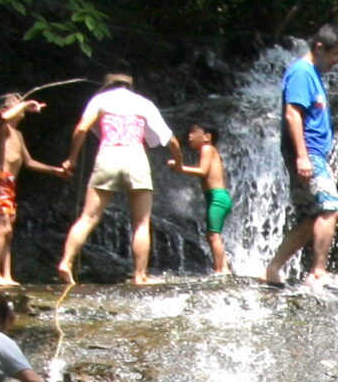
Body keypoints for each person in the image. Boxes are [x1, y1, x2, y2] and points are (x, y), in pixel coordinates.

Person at [56, 73, 174, 286]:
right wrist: (178, 160)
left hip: (108, 155)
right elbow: (170, 138)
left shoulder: (100, 100)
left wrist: (71, 159)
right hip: (136, 157)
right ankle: (140, 276)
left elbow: (82, 128)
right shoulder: (143, 103)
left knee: (88, 217)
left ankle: (66, 262)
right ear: (131, 85)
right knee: (141, 223)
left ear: (106, 84)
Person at [263, 27, 338, 288]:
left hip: (314, 154)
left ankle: (273, 268)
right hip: (306, 152)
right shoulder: (302, 72)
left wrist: (321, 159)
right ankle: (318, 272)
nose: (337, 61)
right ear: (319, 47)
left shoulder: (312, 74)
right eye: (335, 54)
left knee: (311, 216)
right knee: (330, 209)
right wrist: (303, 156)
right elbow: (293, 114)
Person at [0, 94, 68, 287]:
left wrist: (56, 171)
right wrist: (25, 104)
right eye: (16, 102)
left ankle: (7, 274)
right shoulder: (2, 129)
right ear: (3, 109)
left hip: (10, 183)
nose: (20, 103)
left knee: (9, 230)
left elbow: (29, 163)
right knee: (4, 227)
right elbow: (4, 118)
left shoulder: (17, 134)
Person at [168, 120, 232, 275]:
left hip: (218, 197)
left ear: (207, 137)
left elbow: (203, 171)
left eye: (193, 132)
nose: (189, 136)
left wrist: (180, 167)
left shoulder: (208, 148)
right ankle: (224, 268)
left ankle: (219, 271)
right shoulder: (209, 149)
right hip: (215, 197)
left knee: (213, 235)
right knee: (212, 235)